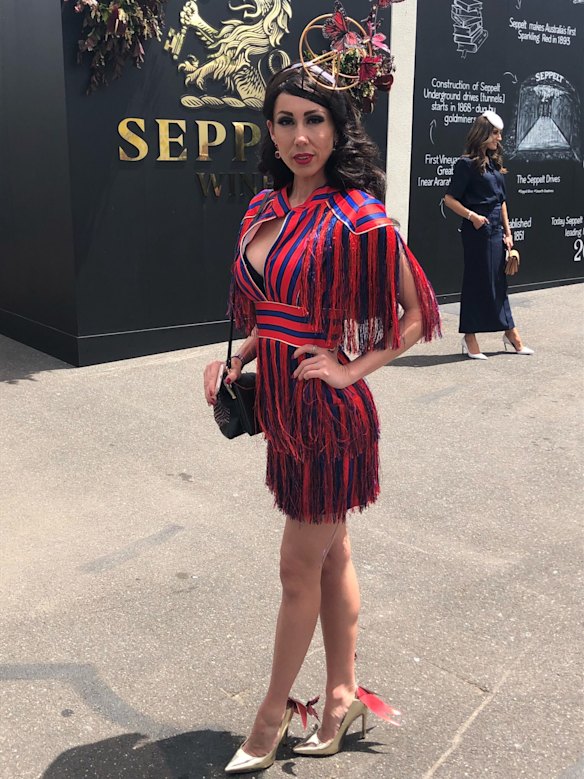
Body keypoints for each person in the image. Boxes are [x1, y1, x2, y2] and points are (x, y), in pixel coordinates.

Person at [203, 62, 441, 774]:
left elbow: (417, 313)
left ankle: (270, 716)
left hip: (331, 420)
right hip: (282, 410)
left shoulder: (358, 216)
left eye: (315, 120)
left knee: (296, 565)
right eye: (287, 121)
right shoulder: (264, 207)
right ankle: (340, 697)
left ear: (339, 130)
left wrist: (349, 368)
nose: (301, 136)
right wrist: (239, 357)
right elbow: (272, 310)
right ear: (270, 131)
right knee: (332, 554)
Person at [444, 111, 534, 359]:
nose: (499, 138)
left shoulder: (494, 164)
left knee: (499, 281)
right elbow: (449, 199)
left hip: (496, 229)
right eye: (495, 133)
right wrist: (472, 216)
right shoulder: (465, 164)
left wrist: (508, 233)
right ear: (482, 134)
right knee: (477, 282)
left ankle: (510, 333)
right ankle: (470, 336)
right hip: (477, 230)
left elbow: (501, 201)